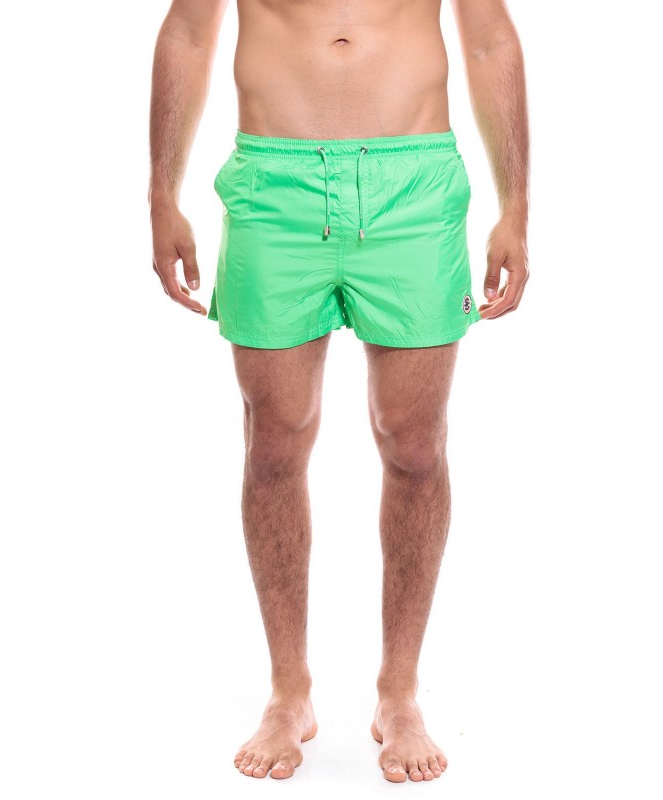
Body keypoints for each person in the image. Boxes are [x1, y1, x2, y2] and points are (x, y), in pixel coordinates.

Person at [148, 0, 529, 783]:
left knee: (415, 444)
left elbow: (490, 36)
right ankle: (289, 693)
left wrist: (516, 206)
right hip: (274, 185)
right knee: (274, 442)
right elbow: (187, 28)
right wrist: (161, 193)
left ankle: (399, 692)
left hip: (414, 184)